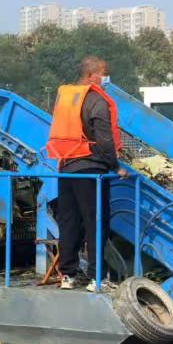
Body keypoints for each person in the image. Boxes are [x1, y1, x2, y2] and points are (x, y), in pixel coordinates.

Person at [44, 56, 125, 289]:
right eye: (103, 74)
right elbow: (104, 139)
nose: (104, 79)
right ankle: (95, 277)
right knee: (95, 221)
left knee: (69, 221)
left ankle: (67, 275)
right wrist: (115, 166)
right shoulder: (96, 101)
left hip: (66, 167)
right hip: (91, 169)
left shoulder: (67, 98)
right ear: (92, 76)